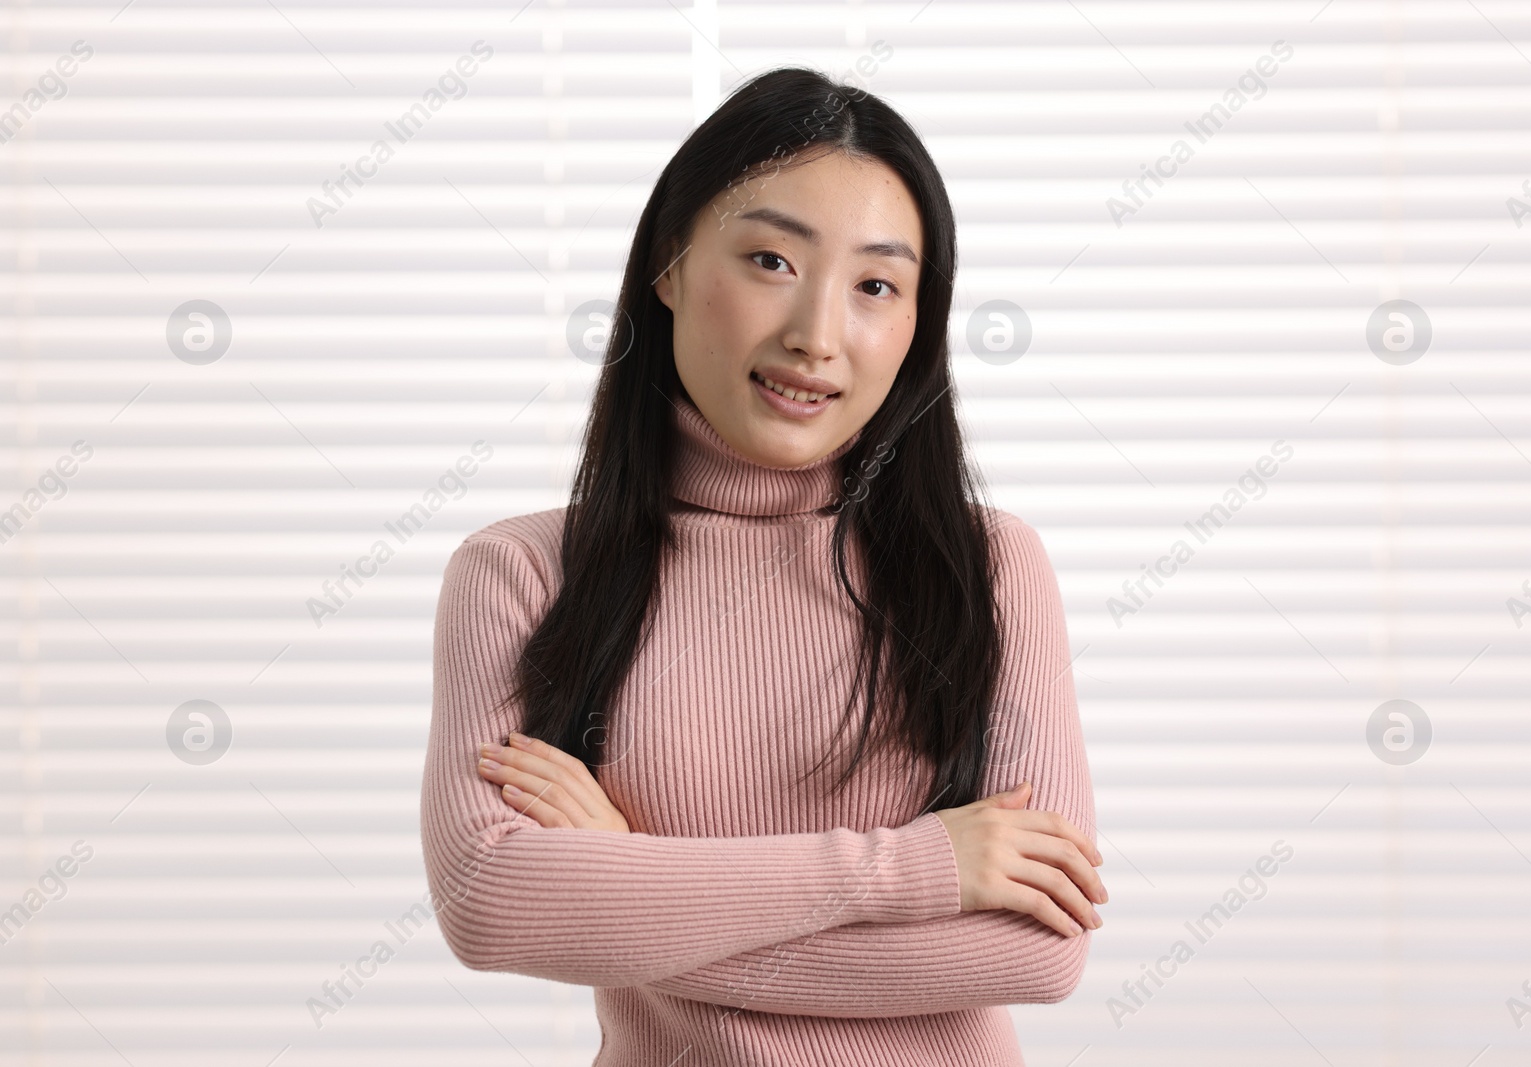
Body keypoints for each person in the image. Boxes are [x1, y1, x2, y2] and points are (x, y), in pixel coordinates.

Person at [420, 65, 1106, 1066]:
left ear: (917, 322)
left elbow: (1035, 949)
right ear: (669, 264)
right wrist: (913, 868)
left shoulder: (989, 565)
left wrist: (629, 882)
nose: (816, 336)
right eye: (771, 261)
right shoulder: (520, 574)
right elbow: (489, 903)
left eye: (875, 284)